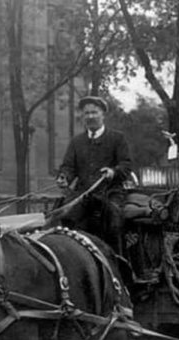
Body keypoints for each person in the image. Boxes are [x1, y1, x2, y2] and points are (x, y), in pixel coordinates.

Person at [55, 95, 132, 253]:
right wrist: (64, 177)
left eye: (94, 112)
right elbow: (68, 166)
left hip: (111, 193)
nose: (90, 116)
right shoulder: (77, 142)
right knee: (65, 217)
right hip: (84, 194)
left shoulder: (117, 139)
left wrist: (113, 172)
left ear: (103, 114)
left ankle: (119, 263)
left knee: (114, 220)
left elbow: (126, 166)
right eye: (86, 113)